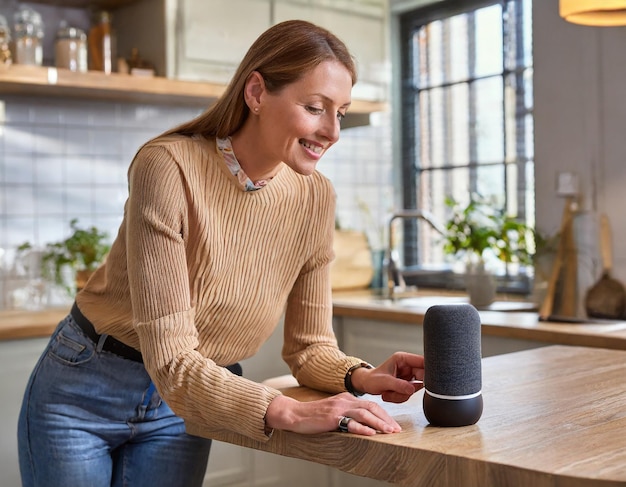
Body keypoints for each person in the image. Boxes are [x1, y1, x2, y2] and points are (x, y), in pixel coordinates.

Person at [17, 19, 425, 487]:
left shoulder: (315, 197)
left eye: (342, 113)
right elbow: (171, 359)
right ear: (256, 92)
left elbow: (310, 348)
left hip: (193, 400)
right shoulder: (168, 167)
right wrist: (287, 411)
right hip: (86, 392)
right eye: (315, 108)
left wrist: (359, 377)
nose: (332, 131)